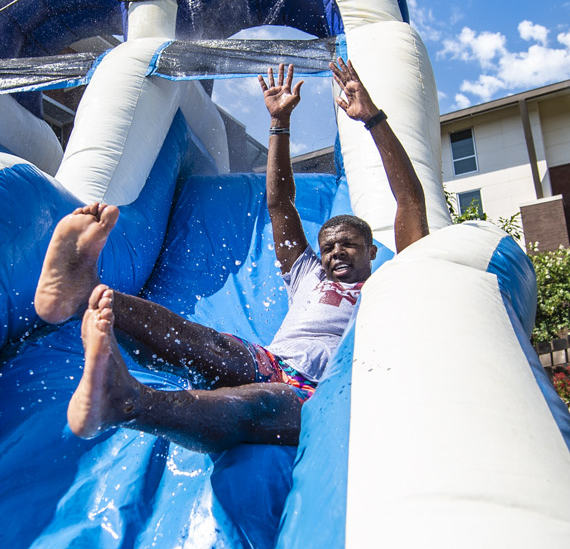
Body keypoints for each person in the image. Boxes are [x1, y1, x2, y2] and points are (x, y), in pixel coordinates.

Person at [32, 60, 429, 452]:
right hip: (273, 361)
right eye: (327, 247)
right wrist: (279, 124)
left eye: (348, 244)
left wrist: (373, 119)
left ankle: (128, 401)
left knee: (256, 404)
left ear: (373, 250)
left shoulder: (394, 282)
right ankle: (82, 292)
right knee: (210, 345)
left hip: (320, 390)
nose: (335, 252)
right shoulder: (310, 274)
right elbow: (279, 203)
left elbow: (410, 200)